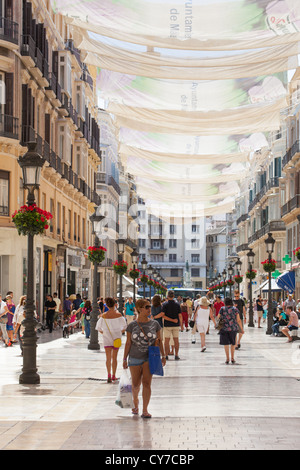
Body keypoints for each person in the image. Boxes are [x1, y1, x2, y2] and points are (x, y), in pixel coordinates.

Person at [123, 298, 165, 418]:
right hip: (134, 358)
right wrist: (124, 359)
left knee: (147, 384)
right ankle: (135, 403)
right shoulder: (131, 325)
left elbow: (160, 340)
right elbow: (128, 343)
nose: (149, 309)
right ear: (140, 309)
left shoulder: (155, 324)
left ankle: (145, 410)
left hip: (150, 357)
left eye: (149, 307)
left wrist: (163, 355)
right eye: (147, 307)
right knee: (135, 385)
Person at [96, 297, 127, 383]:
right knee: (115, 358)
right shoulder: (119, 315)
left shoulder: (104, 315)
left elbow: (98, 327)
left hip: (107, 338)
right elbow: (124, 327)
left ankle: (108, 374)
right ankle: (114, 375)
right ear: (115, 304)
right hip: (116, 338)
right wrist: (119, 332)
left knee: (108, 358)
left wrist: (104, 333)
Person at [218, 297, 244, 364]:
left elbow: (218, 317)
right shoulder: (235, 309)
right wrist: (241, 328)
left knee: (226, 344)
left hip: (224, 328)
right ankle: (232, 358)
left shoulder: (222, 309)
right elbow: (238, 320)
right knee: (233, 343)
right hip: (233, 328)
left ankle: (227, 358)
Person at [162, 290, 182, 360]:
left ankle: (166, 355)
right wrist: (181, 325)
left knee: (166, 341)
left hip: (167, 325)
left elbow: (163, 316)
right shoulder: (177, 305)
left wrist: (170, 320)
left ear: (167, 296)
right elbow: (180, 315)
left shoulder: (164, 305)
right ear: (173, 296)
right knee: (176, 340)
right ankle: (176, 355)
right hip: (176, 325)